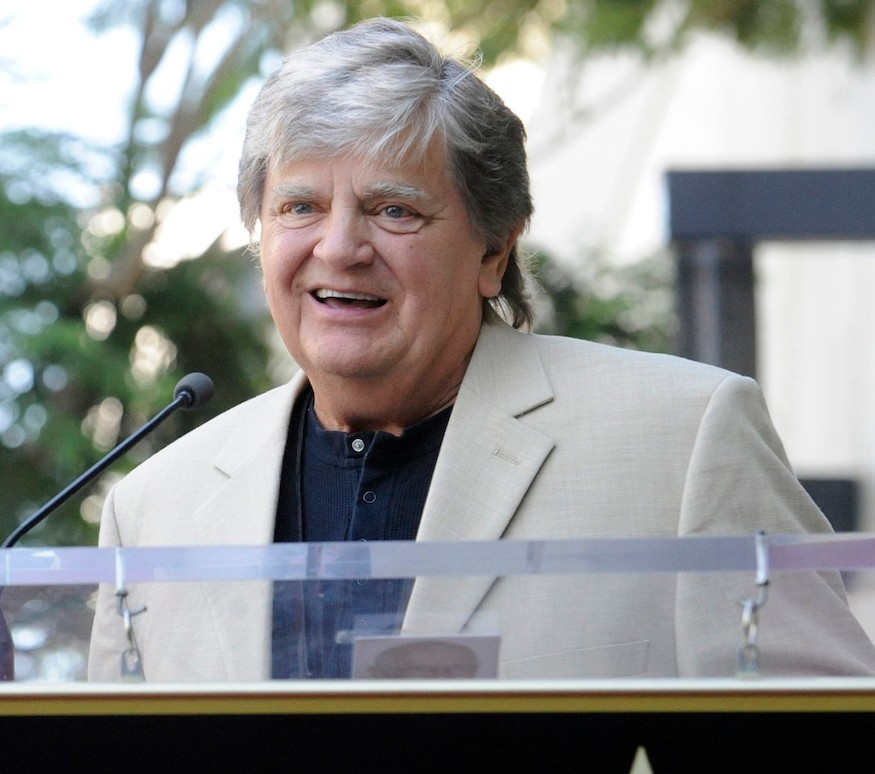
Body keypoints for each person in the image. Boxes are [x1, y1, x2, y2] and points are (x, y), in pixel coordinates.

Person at [88, 17, 875, 682]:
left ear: (494, 250)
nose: (339, 247)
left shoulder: (685, 438)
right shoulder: (153, 508)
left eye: (393, 210)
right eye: (299, 207)